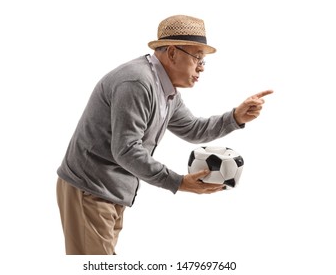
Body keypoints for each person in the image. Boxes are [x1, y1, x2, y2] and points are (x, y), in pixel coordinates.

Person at [56, 14, 273, 255]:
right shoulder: (137, 83)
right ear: (172, 53)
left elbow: (193, 128)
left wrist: (235, 117)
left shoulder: (165, 90)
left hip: (109, 192)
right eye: (197, 58)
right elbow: (126, 149)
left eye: (204, 61)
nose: (201, 67)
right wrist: (177, 182)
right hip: (90, 190)